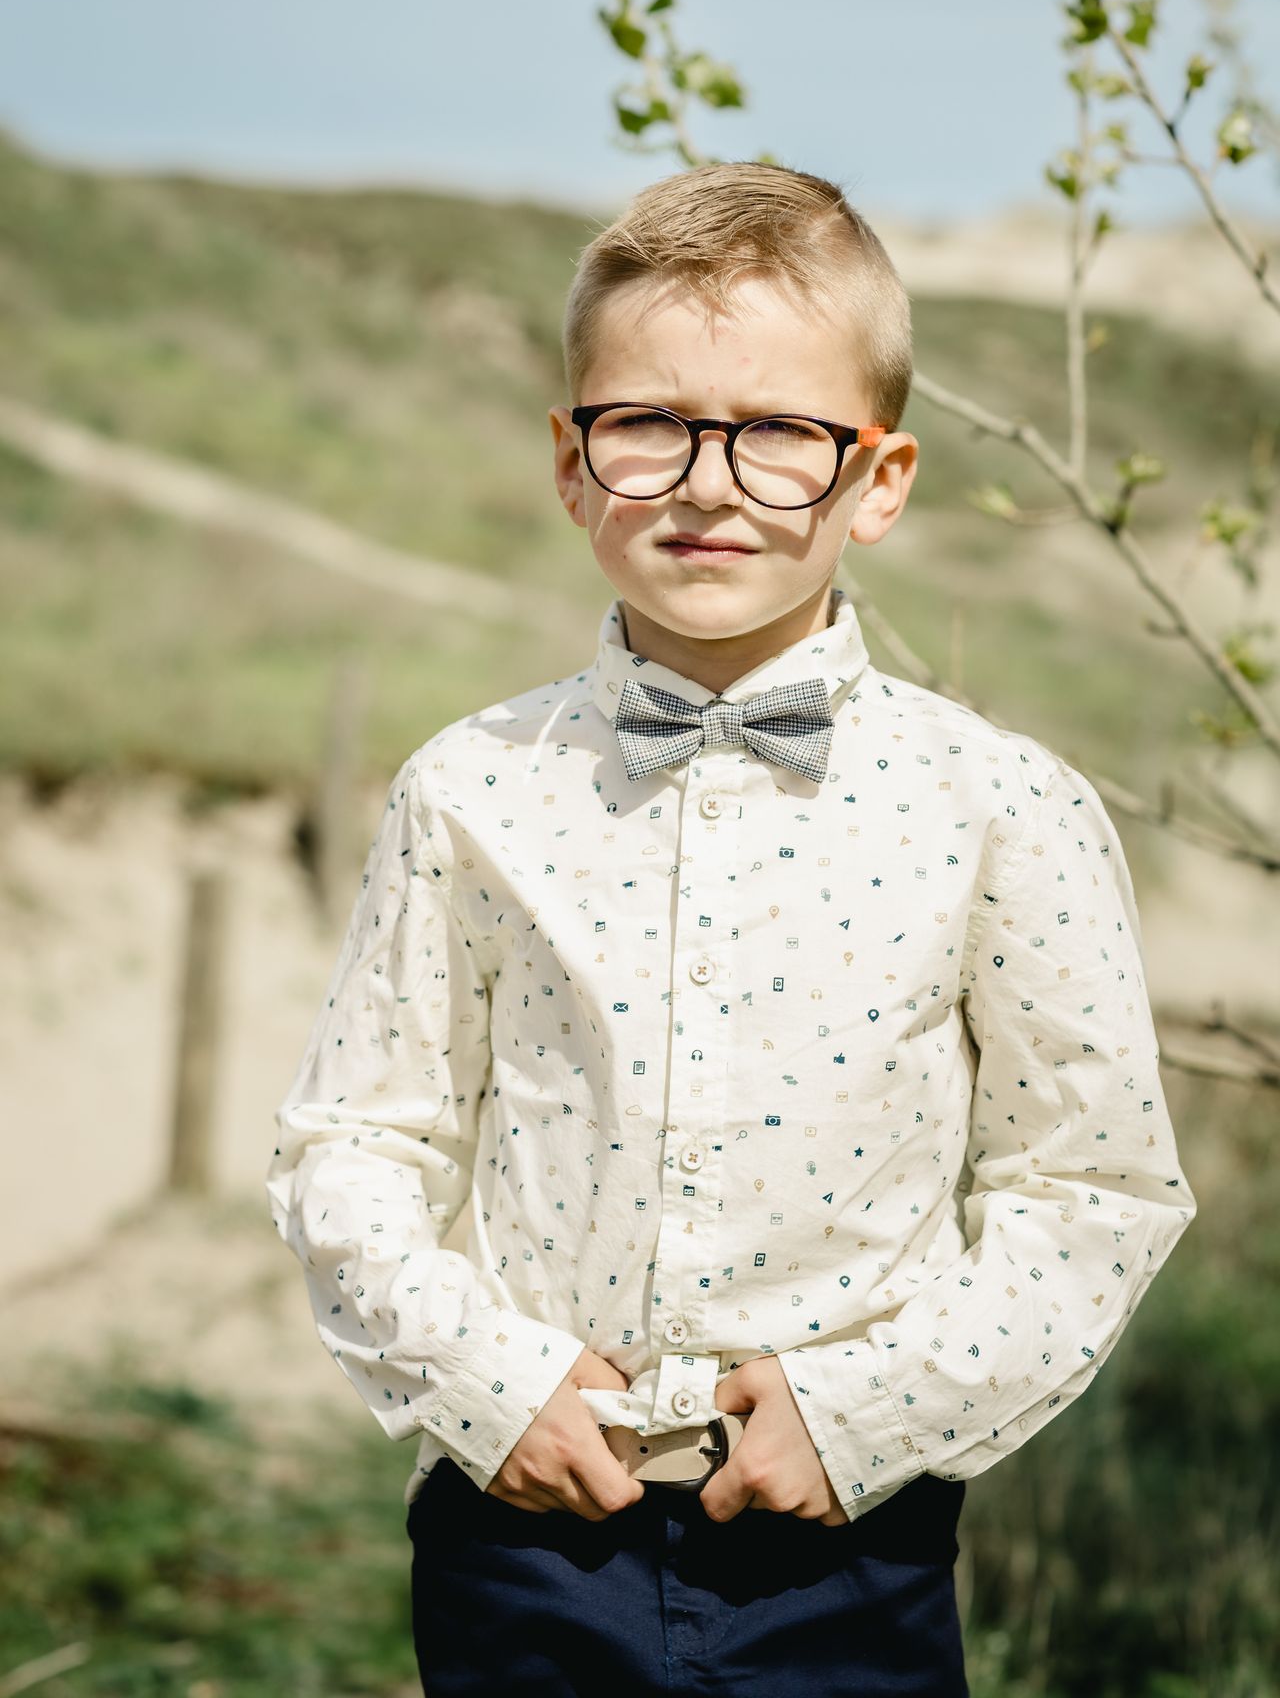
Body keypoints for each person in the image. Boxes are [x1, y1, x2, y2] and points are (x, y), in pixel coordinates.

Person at [265, 161, 1196, 1696]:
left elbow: (1090, 1188)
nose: (708, 481)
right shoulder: (470, 790)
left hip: (850, 1544)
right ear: (572, 465)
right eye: (650, 427)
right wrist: (489, 1387)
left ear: (876, 480)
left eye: (776, 436)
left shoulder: (1004, 809)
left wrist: (864, 1417)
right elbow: (355, 1146)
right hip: (525, 1531)